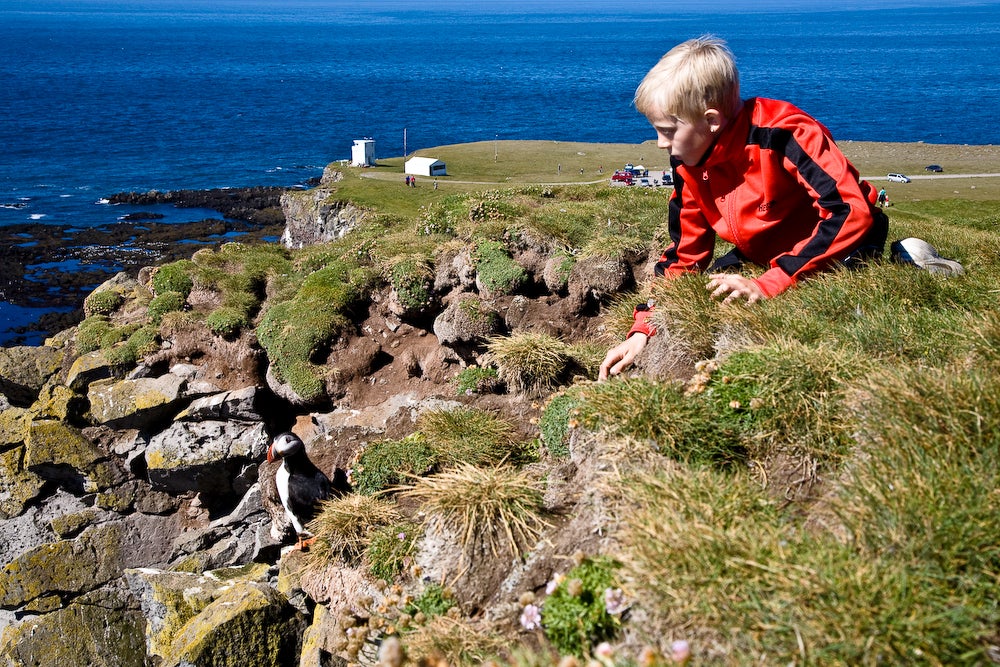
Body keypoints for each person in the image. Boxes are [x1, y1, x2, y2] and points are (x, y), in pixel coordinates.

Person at [599, 35, 889, 381]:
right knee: (712, 288)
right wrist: (643, 329)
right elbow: (683, 256)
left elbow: (849, 211)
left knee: (828, 294)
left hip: (845, 243)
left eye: (667, 130)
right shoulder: (687, 162)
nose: (660, 143)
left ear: (711, 120)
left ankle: (913, 261)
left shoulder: (784, 133)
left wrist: (772, 283)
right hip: (764, 253)